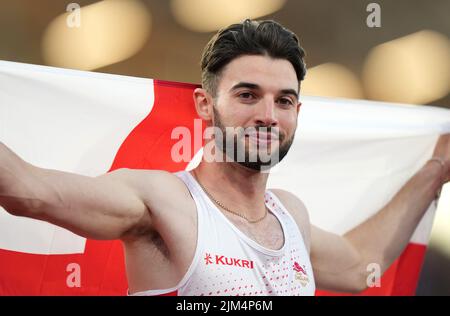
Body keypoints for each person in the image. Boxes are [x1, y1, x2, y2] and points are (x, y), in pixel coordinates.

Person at [0, 19, 448, 296]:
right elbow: (27, 192)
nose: (268, 116)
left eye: (284, 101)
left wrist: (437, 168)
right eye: (248, 95)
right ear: (203, 105)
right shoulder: (162, 200)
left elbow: (357, 264)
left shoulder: (289, 215)